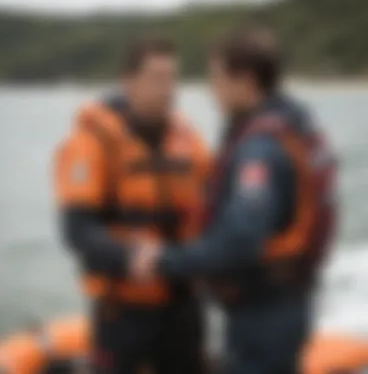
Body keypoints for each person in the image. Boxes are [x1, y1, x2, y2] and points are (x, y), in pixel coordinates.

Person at [131, 29, 338, 374]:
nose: (212, 89)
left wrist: (166, 259)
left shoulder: (259, 151)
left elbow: (242, 237)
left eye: (217, 77)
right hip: (287, 301)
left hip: (264, 315)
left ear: (246, 81)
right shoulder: (294, 124)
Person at [54, 37, 210, 374]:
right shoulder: (93, 142)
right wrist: (127, 256)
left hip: (182, 304)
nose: (168, 89)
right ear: (129, 81)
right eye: (157, 79)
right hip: (123, 311)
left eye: (172, 79)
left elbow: (214, 206)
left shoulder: (189, 140)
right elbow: (76, 228)